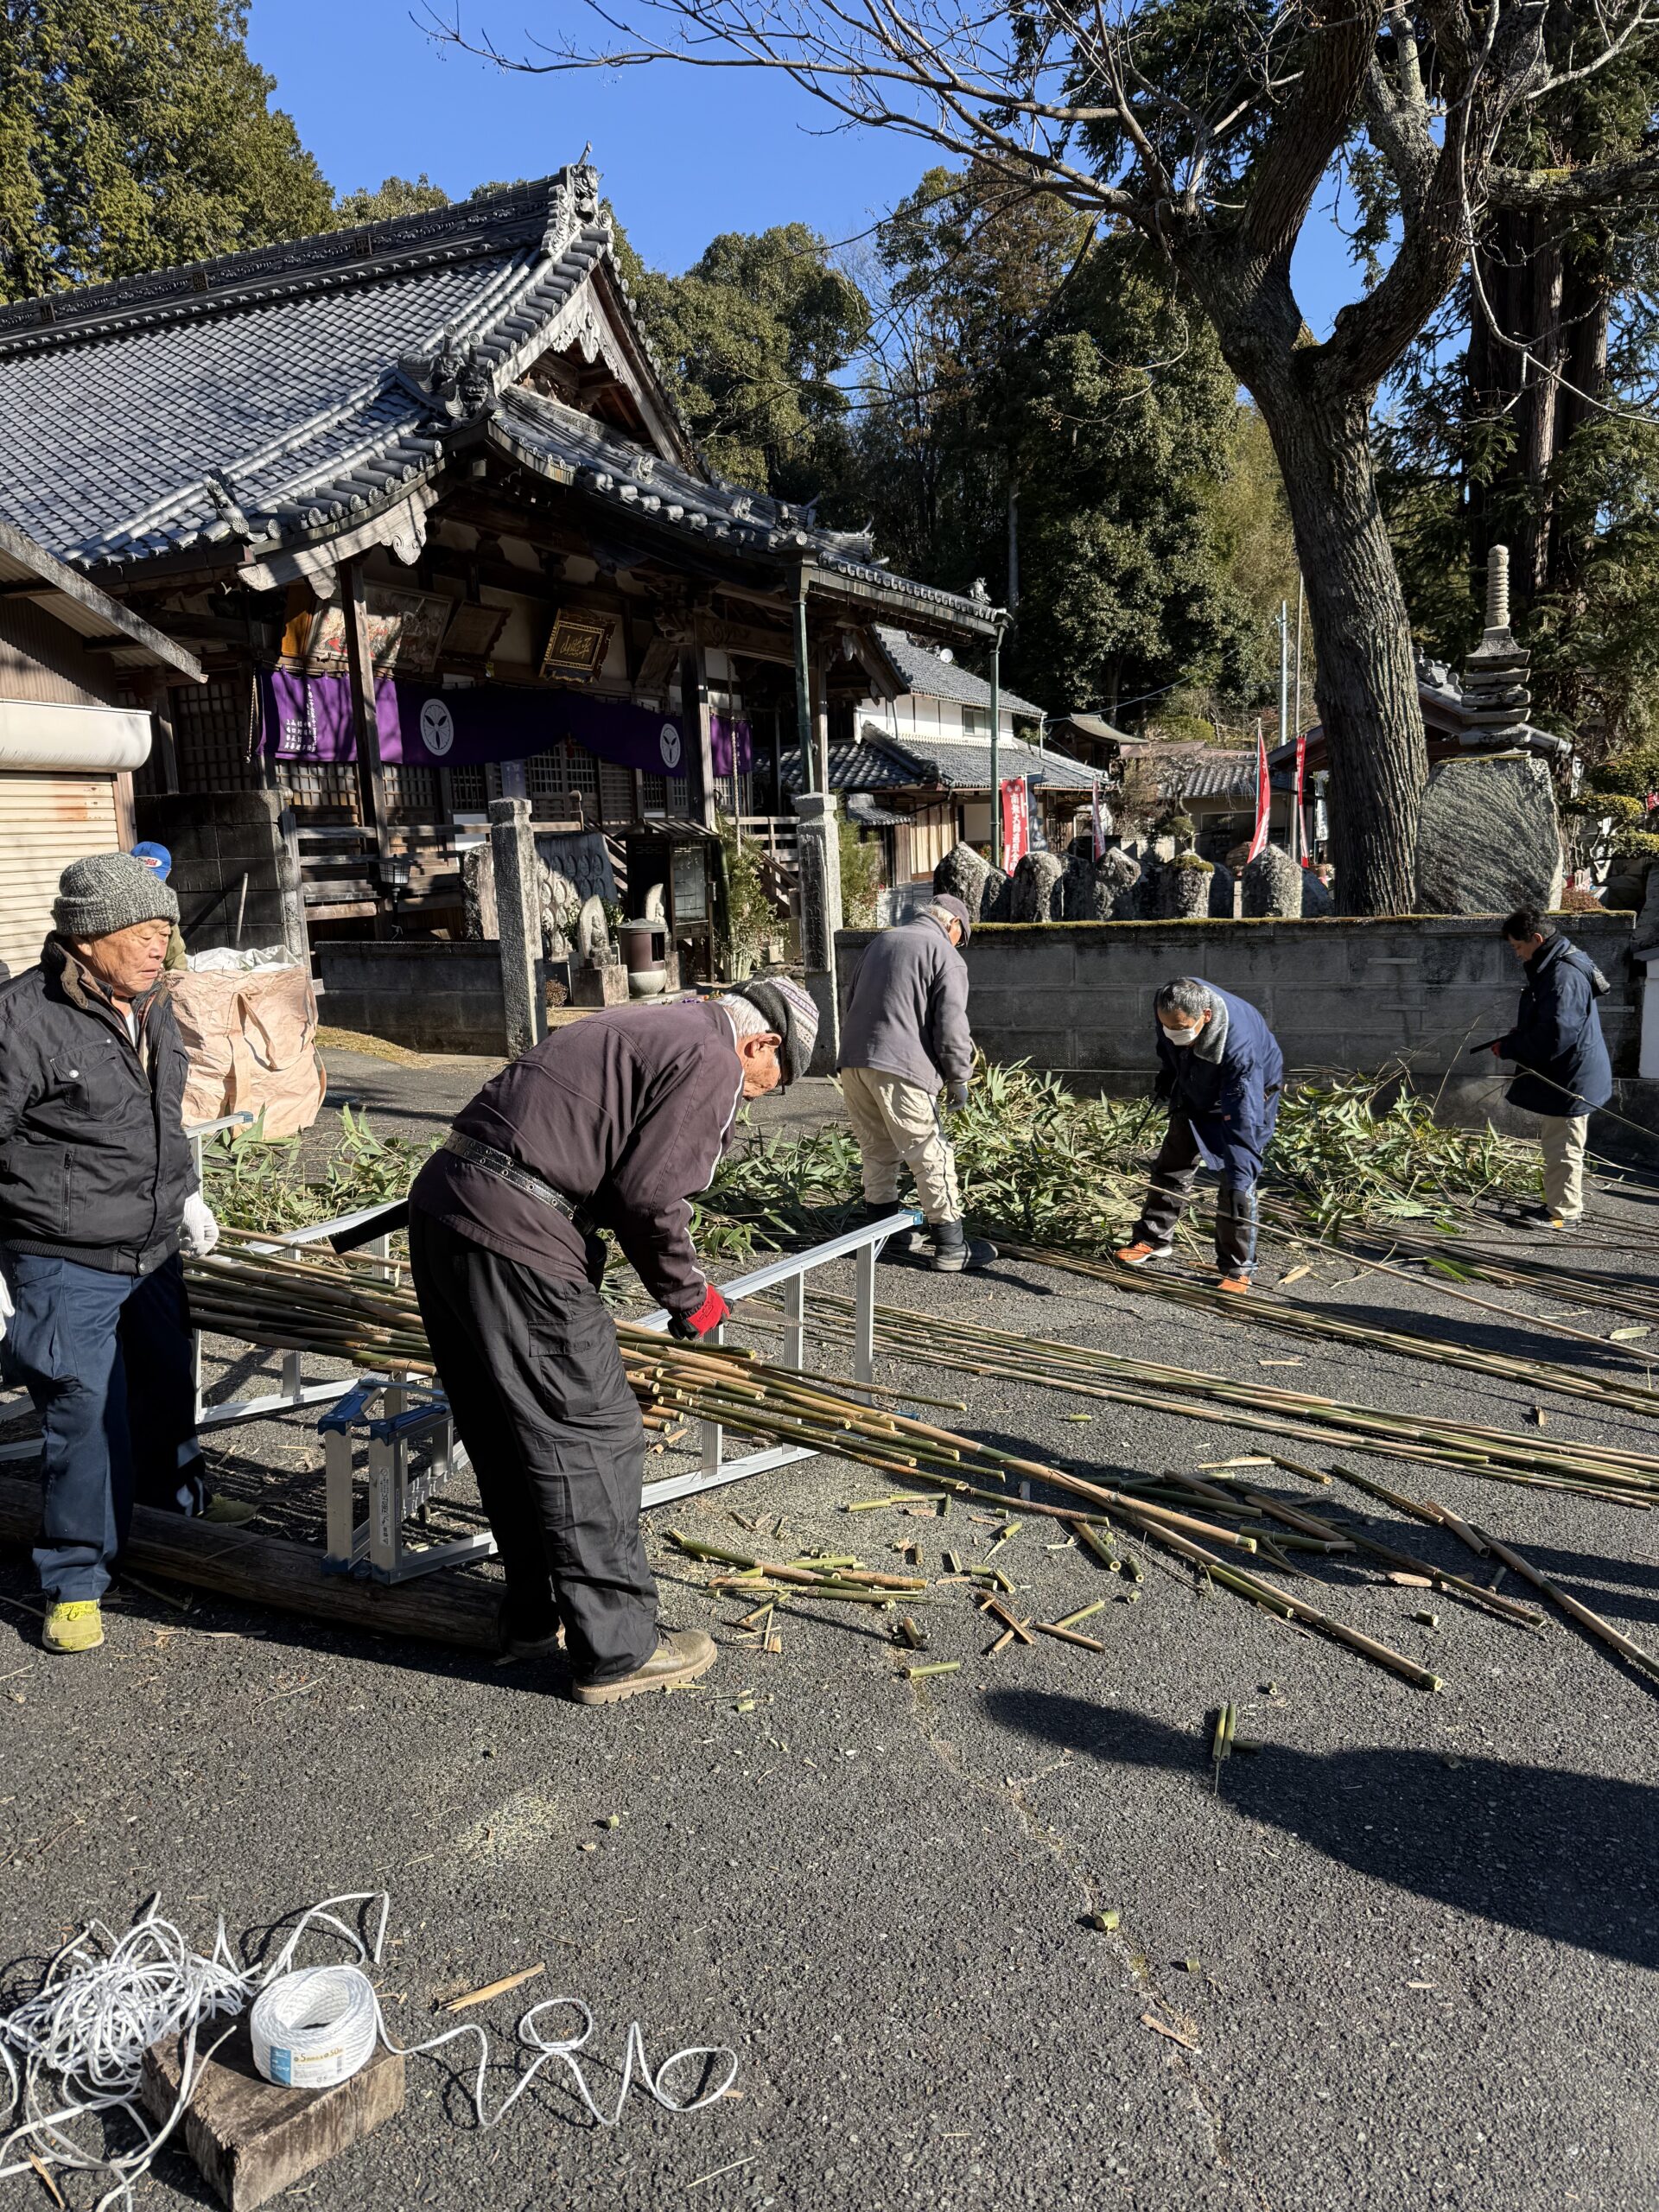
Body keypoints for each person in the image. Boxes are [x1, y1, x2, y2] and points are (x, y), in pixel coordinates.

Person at [408, 976, 819, 1707]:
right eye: (769, 1083)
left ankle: (533, 1616)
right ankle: (620, 1649)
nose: (755, 1098)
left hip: (448, 1207)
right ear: (763, 1043)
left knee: (507, 1430)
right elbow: (651, 1197)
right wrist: (692, 1299)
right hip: (515, 1231)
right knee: (594, 1431)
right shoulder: (713, 1054)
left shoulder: (656, 1023)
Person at [0, 853, 240, 1656]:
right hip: (61, 1253)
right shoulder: (21, 1020)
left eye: (165, 930)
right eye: (142, 932)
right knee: (82, 1414)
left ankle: (172, 1513)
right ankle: (72, 1579)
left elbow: (164, 1117)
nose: (158, 946)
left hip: (151, 1243)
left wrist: (187, 1192)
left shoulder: (153, 1006)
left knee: (167, 1386)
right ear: (87, 937)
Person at [837, 892, 995, 1273]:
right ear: (952, 924)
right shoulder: (944, 954)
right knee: (931, 1153)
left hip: (855, 1062)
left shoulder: (882, 941)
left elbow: (849, 997)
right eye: (962, 935)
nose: (960, 943)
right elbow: (952, 1027)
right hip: (901, 1068)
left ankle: (883, 1237)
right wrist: (959, 1077)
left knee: (877, 1151)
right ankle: (951, 1244)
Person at [1114, 976, 1284, 1294]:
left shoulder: (1239, 1051)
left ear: (1206, 1017)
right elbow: (1168, 1044)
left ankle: (1238, 1267)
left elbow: (1241, 1125)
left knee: (1236, 1182)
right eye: (1170, 1028)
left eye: (1183, 1031)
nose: (1175, 1036)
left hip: (1245, 1095)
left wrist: (1241, 1179)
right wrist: (1169, 1072)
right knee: (1172, 1161)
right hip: (1194, 1082)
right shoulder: (1170, 1004)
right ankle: (1153, 1238)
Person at [1487, 906, 1611, 1230]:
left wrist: (1514, 1047)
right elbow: (1555, 1023)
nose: (1517, 955)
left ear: (1537, 939)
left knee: (1563, 1146)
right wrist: (1522, 1034)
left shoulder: (1562, 975)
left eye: (1518, 947)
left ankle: (1563, 1214)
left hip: (1572, 1078)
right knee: (1559, 1142)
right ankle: (1560, 1202)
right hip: (1572, 1070)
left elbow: (1555, 1036)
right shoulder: (1562, 960)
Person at [130, 842, 188, 969]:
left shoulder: (166, 906)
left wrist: (181, 980)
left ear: (168, 873)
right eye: (141, 878)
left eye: (154, 879)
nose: (147, 886)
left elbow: (176, 957)